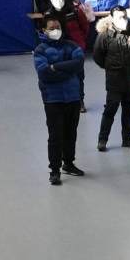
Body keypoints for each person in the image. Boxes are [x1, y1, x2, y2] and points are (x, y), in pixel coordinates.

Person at [33, 15, 85, 186]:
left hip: (73, 98)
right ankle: (54, 170)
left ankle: (68, 163)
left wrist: (55, 67)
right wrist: (67, 70)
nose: (55, 30)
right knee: (55, 136)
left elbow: (78, 63)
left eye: (58, 27)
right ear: (44, 31)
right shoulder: (40, 50)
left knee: (71, 133)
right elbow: (44, 73)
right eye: (51, 28)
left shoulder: (72, 45)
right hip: (53, 99)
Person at [92, 3, 130, 151]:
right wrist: (109, 66)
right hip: (115, 79)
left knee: (128, 109)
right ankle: (102, 140)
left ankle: (127, 139)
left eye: (124, 16)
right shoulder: (105, 35)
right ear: (112, 18)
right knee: (110, 109)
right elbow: (97, 55)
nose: (122, 19)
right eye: (119, 17)